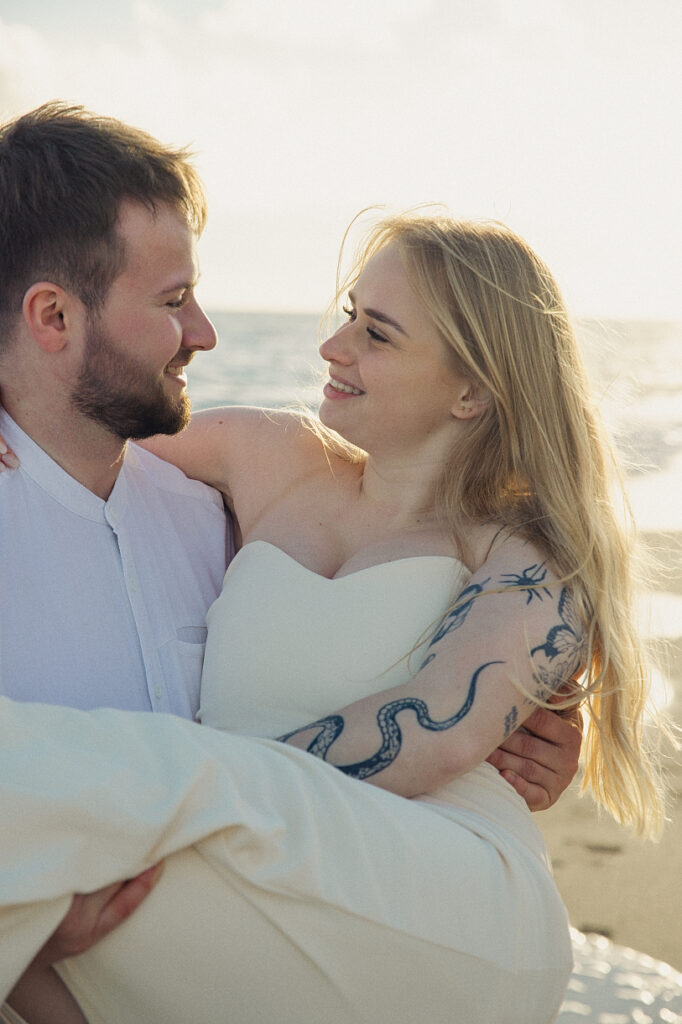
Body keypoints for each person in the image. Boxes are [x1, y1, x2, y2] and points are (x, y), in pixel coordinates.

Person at [0, 205, 663, 1021]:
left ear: (472, 391)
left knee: (115, 776)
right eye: (349, 316)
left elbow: (444, 729)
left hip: (449, 898)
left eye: (377, 334)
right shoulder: (270, 457)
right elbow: (58, 432)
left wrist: (200, 799)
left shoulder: (523, 552)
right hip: (264, 870)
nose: (331, 346)